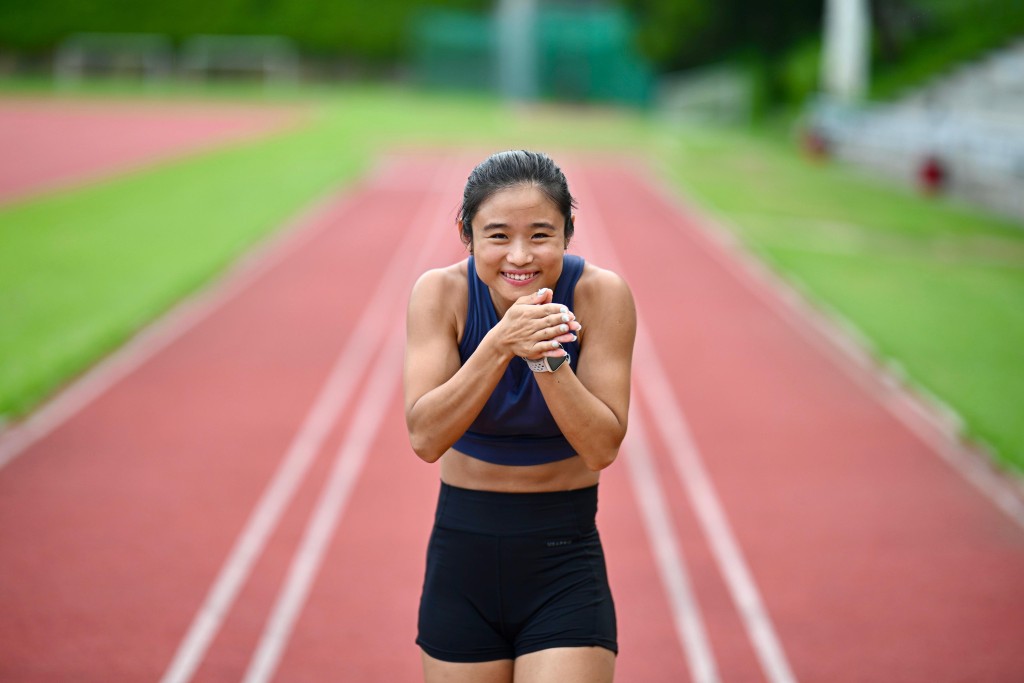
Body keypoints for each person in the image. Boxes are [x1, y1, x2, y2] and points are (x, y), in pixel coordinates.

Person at [404, 150, 636, 683]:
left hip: (564, 558)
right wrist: (500, 342)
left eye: (540, 234)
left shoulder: (602, 296)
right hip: (462, 560)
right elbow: (425, 435)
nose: (519, 255)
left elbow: (601, 446)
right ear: (467, 233)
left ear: (567, 233)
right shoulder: (440, 294)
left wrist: (544, 355)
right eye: (498, 235)